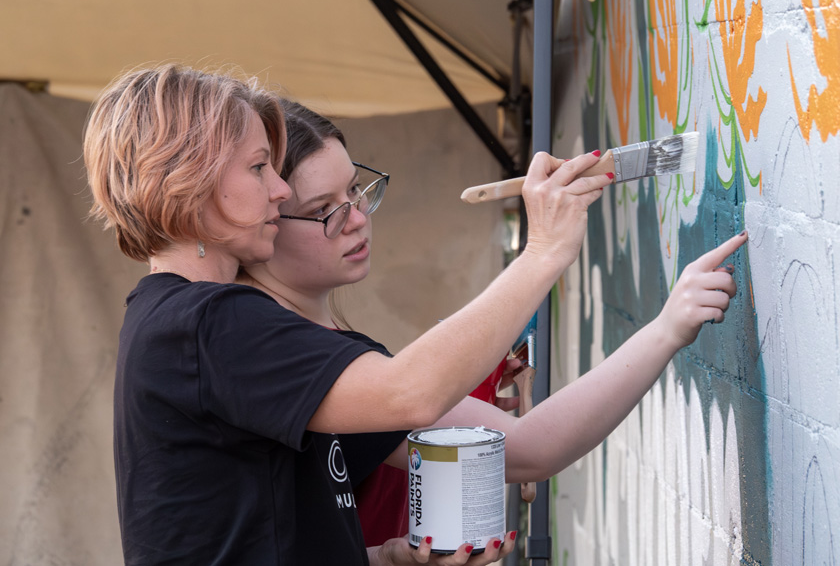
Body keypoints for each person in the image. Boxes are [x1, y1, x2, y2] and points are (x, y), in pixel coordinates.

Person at [83, 64, 613, 565]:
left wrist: (381, 557)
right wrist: (544, 250)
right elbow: (411, 394)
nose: (280, 189)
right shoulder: (210, 321)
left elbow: (245, 539)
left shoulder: (179, 317)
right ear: (188, 179)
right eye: (258, 167)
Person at [237, 99, 750, 547]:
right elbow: (528, 450)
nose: (356, 217)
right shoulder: (271, 356)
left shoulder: (323, 355)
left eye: (355, 189)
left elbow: (521, 444)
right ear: (262, 220)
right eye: (323, 210)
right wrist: (659, 326)